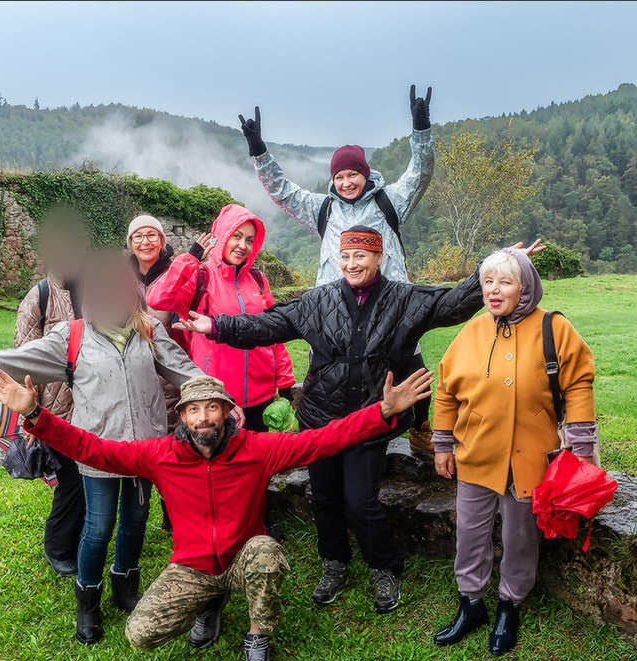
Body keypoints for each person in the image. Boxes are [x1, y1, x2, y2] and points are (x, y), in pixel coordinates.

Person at [0, 368, 435, 661]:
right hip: (193, 566)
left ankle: (257, 639)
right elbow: (93, 449)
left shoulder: (257, 450)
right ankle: (209, 602)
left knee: (265, 551)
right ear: (182, 417)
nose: (204, 418)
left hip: (242, 558)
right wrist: (36, 415)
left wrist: (382, 411)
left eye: (212, 408)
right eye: (194, 410)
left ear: (228, 413)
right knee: (140, 634)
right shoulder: (159, 455)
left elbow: (322, 440)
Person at [176, 226, 499, 614]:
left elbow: (452, 304)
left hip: (371, 416)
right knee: (325, 496)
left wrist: (491, 268)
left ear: (379, 257)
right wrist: (216, 326)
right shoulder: (319, 300)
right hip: (321, 419)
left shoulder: (404, 298)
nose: (351, 264)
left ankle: (384, 566)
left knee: (361, 502)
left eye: (360, 256)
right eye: (345, 257)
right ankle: (334, 561)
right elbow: (268, 324)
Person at [0, 250, 203, 644]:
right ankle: (88, 602)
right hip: (97, 450)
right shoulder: (73, 336)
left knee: (135, 521)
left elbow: (186, 373)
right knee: (98, 528)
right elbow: (20, 359)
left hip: (144, 451)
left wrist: (220, 399)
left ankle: (125, 587)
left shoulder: (150, 330)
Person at [238, 86, 438, 452]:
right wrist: (259, 150)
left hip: (388, 300)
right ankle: (328, 433)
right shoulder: (323, 209)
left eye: (353, 175)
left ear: (366, 174)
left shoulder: (390, 201)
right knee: (330, 368)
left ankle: (420, 425)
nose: (346, 183)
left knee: (410, 359)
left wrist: (421, 129)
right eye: (340, 177)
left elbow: (420, 173)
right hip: (335, 307)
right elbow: (283, 191)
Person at [431, 248, 597, 655]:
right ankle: (470, 604)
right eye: (488, 282)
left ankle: (510, 604)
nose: (494, 290)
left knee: (520, 537)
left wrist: (581, 445)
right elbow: (446, 390)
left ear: (525, 287)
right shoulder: (472, 332)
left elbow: (578, 384)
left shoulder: (554, 328)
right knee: (470, 533)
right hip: (476, 454)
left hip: (530, 456)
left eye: (505, 282)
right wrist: (443, 443)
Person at [146, 203, 296, 432]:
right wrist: (190, 258)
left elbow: (274, 331)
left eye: (249, 240)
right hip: (216, 394)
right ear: (223, 234)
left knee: (256, 454)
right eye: (236, 236)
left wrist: (285, 383)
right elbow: (157, 299)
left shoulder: (257, 279)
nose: (242, 245)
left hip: (260, 394)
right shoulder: (200, 277)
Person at [11, 208, 88, 578]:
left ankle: (79, 539)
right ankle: (57, 547)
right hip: (56, 408)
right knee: (72, 481)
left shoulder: (94, 289)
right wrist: (30, 418)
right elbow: (25, 359)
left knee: (90, 478)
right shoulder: (40, 296)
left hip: (92, 403)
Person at [125, 213, 179, 534]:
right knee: (141, 438)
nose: (145, 242)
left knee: (173, 439)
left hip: (169, 370)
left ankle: (174, 513)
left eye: (151, 235)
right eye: (138, 237)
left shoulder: (176, 271)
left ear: (162, 239)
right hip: (133, 369)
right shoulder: (121, 274)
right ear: (130, 243)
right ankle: (137, 513)